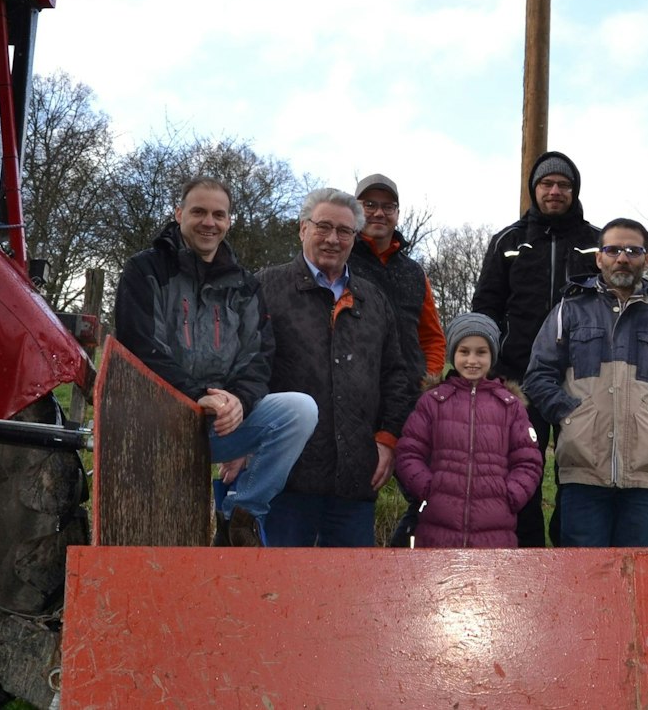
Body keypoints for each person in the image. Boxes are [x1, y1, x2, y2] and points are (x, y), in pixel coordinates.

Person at [113, 178, 318, 547]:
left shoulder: (245, 285)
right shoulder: (144, 271)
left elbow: (258, 356)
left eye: (219, 214)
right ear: (179, 215)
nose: (209, 222)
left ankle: (241, 515)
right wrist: (196, 397)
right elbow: (141, 347)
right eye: (199, 212)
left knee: (299, 409)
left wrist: (239, 399)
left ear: (229, 221)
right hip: (157, 422)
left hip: (222, 423)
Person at [523, 218, 648, 548]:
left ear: (647, 259)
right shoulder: (569, 310)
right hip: (582, 470)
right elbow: (538, 376)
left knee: (639, 579)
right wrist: (571, 417)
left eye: (633, 250)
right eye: (612, 250)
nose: (622, 258)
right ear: (599, 258)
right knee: (583, 579)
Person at [257, 187, 418, 546]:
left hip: (355, 480)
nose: (333, 238)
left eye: (344, 231)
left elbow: (395, 375)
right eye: (323, 227)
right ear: (302, 229)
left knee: (352, 596)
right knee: (284, 591)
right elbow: (249, 370)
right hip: (286, 477)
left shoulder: (372, 299)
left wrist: (389, 439)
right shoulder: (267, 288)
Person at [470, 150, 602, 546]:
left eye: (563, 185)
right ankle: (524, 552)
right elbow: (486, 308)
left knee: (576, 472)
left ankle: (569, 552)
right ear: (534, 190)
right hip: (518, 379)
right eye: (547, 184)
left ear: (574, 190)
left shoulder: (598, 243)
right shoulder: (507, 242)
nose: (555, 191)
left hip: (580, 382)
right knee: (519, 468)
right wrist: (485, 367)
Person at [394, 312, 543, 548]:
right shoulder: (433, 402)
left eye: (481, 352)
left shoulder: (510, 406)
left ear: (492, 356)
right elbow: (408, 453)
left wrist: (510, 496)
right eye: (464, 351)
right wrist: (428, 489)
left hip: (496, 535)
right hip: (437, 533)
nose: (472, 360)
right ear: (453, 354)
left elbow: (529, 461)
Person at [348, 173, 446, 387]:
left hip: (409, 395)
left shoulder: (415, 272)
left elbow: (432, 338)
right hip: (353, 393)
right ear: (355, 210)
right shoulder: (340, 261)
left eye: (388, 207)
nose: (379, 213)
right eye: (370, 205)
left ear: (398, 213)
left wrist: (427, 383)